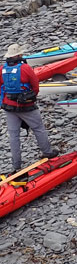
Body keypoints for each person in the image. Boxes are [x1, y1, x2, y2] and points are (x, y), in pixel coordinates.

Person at [0, 44, 59, 174]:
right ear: (19, 55)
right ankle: (47, 152)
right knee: (38, 128)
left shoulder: (2, 69)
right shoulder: (25, 68)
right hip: (26, 106)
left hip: (9, 107)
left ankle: (16, 165)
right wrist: (30, 98)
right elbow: (35, 86)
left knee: (13, 135)